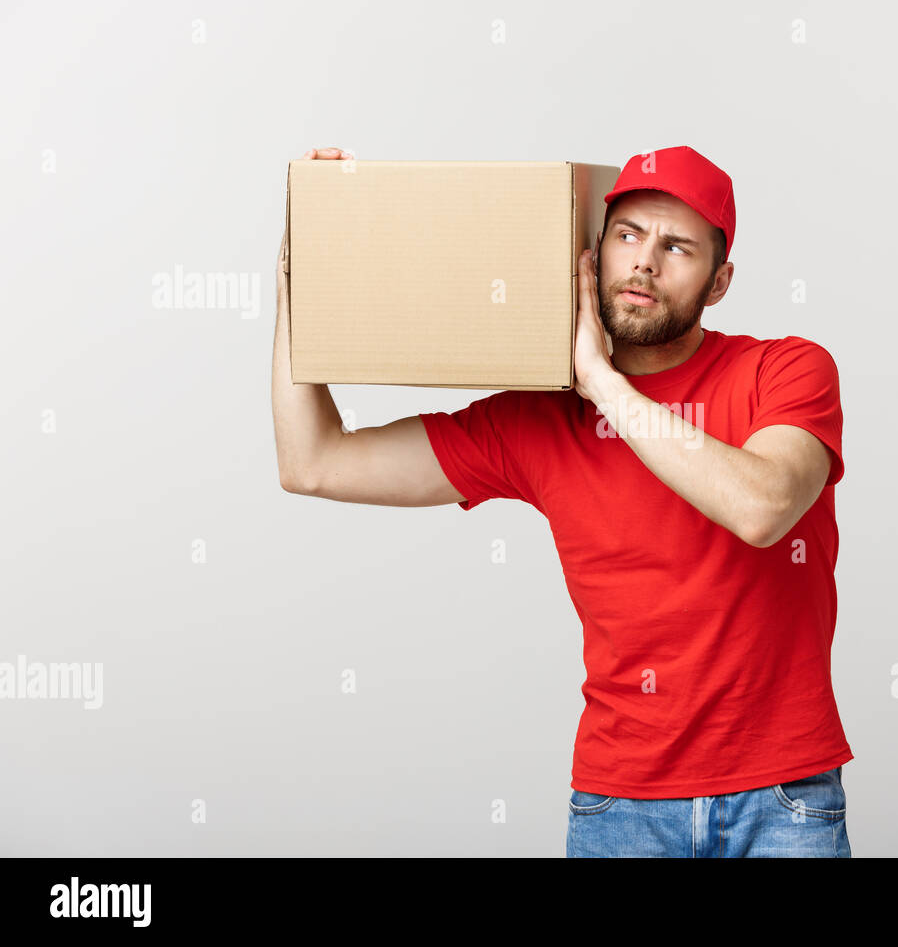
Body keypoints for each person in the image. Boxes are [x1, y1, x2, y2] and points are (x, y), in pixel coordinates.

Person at [273, 145, 852, 857]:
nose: (644, 261)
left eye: (677, 247)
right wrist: (300, 275)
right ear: (592, 252)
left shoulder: (786, 370)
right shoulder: (536, 422)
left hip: (784, 797)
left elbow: (762, 508)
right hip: (621, 808)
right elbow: (315, 461)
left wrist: (603, 384)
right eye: (628, 235)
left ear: (720, 281)